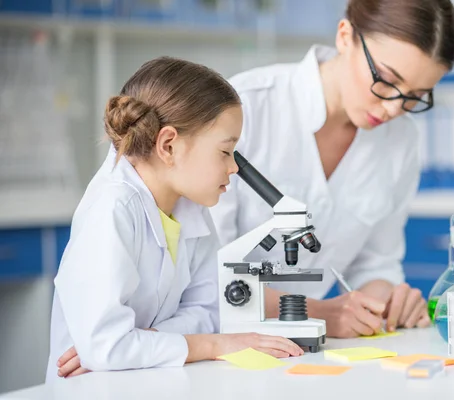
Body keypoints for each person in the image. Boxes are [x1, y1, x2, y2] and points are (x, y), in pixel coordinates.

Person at [210, 0, 454, 338]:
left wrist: (386, 302)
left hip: (301, 354)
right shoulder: (245, 107)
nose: (392, 108)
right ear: (345, 36)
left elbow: (375, 263)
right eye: (386, 80)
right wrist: (320, 313)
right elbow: (203, 275)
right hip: (216, 345)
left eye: (415, 96)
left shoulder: (401, 140)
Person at [47, 57, 303, 381]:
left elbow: (208, 312)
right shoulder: (112, 210)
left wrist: (139, 344)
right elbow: (107, 348)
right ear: (168, 145)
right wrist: (212, 345)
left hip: (147, 379)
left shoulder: (190, 208)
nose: (234, 168)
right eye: (225, 152)